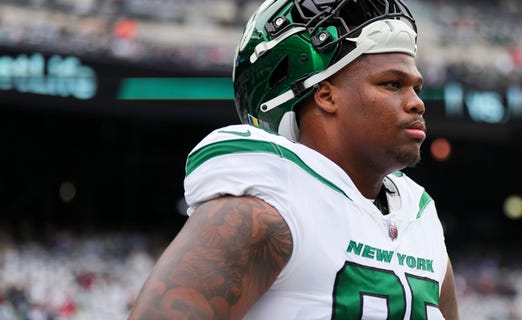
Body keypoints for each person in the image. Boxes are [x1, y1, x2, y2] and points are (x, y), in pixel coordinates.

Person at [129, 0, 460, 319]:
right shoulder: (270, 201)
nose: (417, 103)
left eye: (416, 87)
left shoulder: (420, 217)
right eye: (392, 84)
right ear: (326, 95)